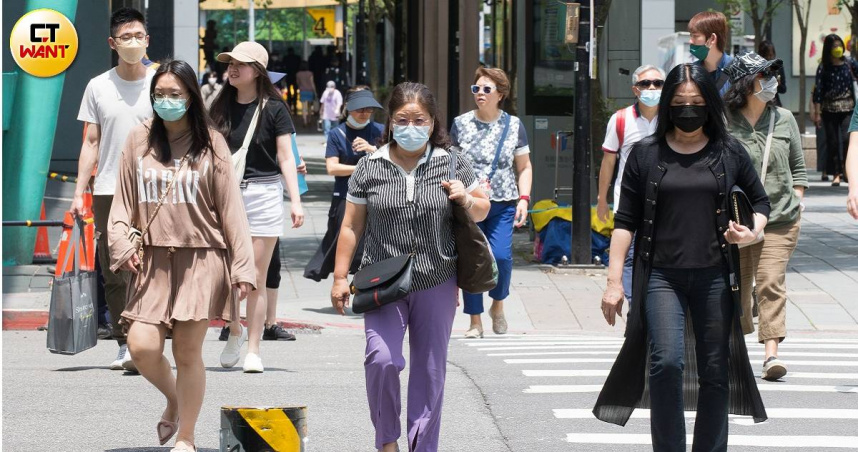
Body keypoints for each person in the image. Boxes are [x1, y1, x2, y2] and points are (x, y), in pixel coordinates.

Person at [594, 63, 770, 450]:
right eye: (679, 102)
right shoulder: (645, 154)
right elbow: (624, 222)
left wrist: (751, 230)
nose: (687, 109)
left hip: (715, 275)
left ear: (709, 105)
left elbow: (760, 202)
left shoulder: (728, 152)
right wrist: (613, 283)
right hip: (661, 276)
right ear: (667, 106)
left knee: (715, 370)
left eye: (695, 101)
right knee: (666, 363)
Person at [331, 82, 490, 452]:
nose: (411, 127)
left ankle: (422, 446)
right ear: (390, 121)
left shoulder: (452, 161)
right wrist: (340, 277)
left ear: (433, 122)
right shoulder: (370, 166)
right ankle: (387, 441)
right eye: (402, 119)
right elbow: (351, 226)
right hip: (381, 281)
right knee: (381, 359)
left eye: (420, 120)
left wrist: (465, 198)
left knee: (430, 371)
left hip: (436, 277)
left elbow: (483, 208)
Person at [108, 59, 255, 452]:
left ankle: (186, 436)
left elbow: (231, 210)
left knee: (187, 352)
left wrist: (242, 268)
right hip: (152, 259)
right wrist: (121, 244)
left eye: (175, 94)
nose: (166, 101)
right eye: (159, 94)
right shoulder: (138, 139)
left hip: (202, 259)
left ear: (191, 97)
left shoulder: (212, 143)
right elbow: (122, 201)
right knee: (141, 347)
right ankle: (174, 399)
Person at [210, 41, 305, 373]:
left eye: (241, 64)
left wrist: (295, 200)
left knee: (256, 277)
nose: (233, 68)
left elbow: (286, 157)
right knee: (227, 273)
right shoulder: (218, 105)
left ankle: (253, 349)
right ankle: (234, 329)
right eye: (230, 63)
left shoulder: (275, 108)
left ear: (258, 72)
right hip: (226, 195)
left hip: (264, 193)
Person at [71, 7, 155, 372]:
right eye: (125, 37)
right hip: (108, 188)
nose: (133, 42)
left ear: (147, 40)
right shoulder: (98, 86)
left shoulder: (161, 82)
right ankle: (125, 342)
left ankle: (149, 339)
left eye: (138, 36)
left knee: (154, 265)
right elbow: (91, 142)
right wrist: (79, 192)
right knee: (115, 268)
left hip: (154, 188)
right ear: (112, 43)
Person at [723, 52, 808, 381]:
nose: (771, 81)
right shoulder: (724, 122)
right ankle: (736, 347)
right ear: (746, 84)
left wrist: (797, 199)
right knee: (741, 289)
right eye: (764, 75)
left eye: (772, 74)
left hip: (780, 219)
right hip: (740, 221)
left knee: (770, 282)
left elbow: (798, 169)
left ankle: (771, 354)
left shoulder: (785, 119)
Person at [449, 67, 533, 338]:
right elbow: (451, 163)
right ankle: (475, 321)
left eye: (487, 89)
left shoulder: (514, 125)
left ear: (501, 94)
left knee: (501, 257)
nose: (480, 94)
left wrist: (523, 199)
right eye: (476, 89)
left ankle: (498, 304)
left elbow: (524, 167)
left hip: (503, 202)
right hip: (470, 202)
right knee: (472, 258)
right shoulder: (461, 124)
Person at [596, 64, 665, 309]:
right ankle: (636, 306)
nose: (652, 88)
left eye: (658, 83)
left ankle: (651, 305)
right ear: (635, 89)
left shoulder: (672, 118)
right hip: (629, 201)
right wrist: (602, 199)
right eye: (646, 83)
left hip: (665, 201)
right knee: (628, 255)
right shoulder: (621, 119)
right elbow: (608, 162)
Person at [304, 86, 384, 282]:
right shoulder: (337, 134)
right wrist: (362, 166)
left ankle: (367, 285)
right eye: (360, 109)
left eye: (369, 109)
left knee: (372, 245)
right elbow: (332, 168)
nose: (364, 113)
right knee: (344, 242)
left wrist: (373, 150)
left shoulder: (381, 131)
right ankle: (341, 281)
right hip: (345, 195)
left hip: (376, 194)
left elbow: (394, 160)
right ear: (348, 107)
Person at [813, 33, 858, 187]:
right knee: (832, 142)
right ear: (828, 49)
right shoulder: (823, 67)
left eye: (839, 45)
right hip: (829, 109)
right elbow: (818, 91)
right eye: (834, 46)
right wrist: (817, 113)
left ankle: (847, 170)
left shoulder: (849, 63)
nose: (838, 48)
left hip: (848, 108)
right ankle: (836, 173)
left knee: (847, 139)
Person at [688, 11, 734, 96]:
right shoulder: (690, 72)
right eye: (690, 36)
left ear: (712, 39)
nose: (690, 41)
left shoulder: (737, 72)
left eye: (695, 36)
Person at [758, 40, 787, 107]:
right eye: (766, 56)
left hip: (774, 103)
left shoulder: (778, 68)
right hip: (759, 104)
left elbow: (783, 89)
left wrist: (778, 85)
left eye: (771, 55)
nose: (769, 58)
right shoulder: (756, 69)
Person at [296, 61, 316, 128]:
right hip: (310, 91)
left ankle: (305, 121)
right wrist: (315, 91)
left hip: (302, 91)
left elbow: (298, 83)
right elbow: (312, 83)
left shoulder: (298, 74)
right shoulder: (310, 73)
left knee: (304, 107)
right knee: (309, 107)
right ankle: (309, 120)